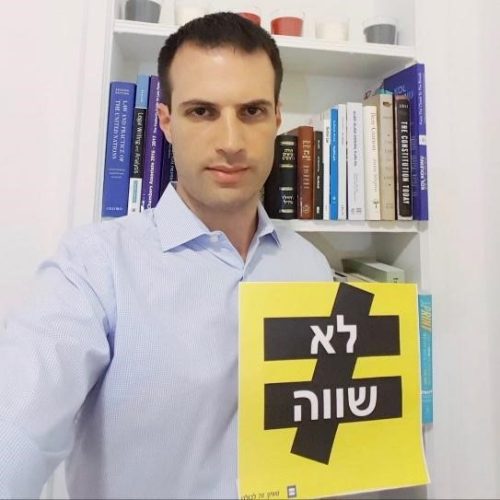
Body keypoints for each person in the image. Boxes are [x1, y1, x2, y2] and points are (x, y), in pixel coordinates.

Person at [0, 12, 332, 499]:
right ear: (166, 121)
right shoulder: (92, 268)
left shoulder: (311, 267)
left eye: (251, 112)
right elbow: (17, 428)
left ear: (277, 119)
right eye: (202, 112)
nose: (231, 143)